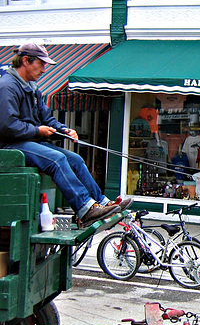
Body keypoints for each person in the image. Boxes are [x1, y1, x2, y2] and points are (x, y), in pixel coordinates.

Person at [0, 43, 131, 228]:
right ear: (25, 61)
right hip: (11, 145)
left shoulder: (32, 88)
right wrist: (38, 131)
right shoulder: (7, 86)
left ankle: (102, 202)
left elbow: (46, 118)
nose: (44, 69)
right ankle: (85, 209)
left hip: (28, 141)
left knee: (75, 159)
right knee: (57, 159)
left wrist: (64, 130)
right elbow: (7, 126)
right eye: (41, 64)